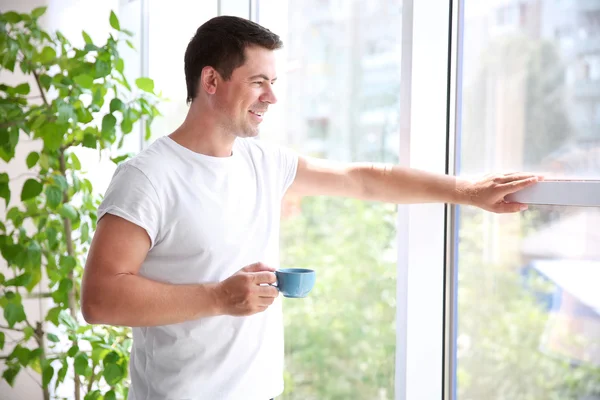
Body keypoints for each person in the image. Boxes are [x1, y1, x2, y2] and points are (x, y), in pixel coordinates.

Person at [80, 15, 541, 400]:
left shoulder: (265, 161)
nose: (272, 97)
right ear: (212, 80)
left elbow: (363, 180)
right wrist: (218, 297)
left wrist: (465, 190)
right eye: (259, 81)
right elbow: (100, 299)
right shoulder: (148, 176)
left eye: (274, 82)